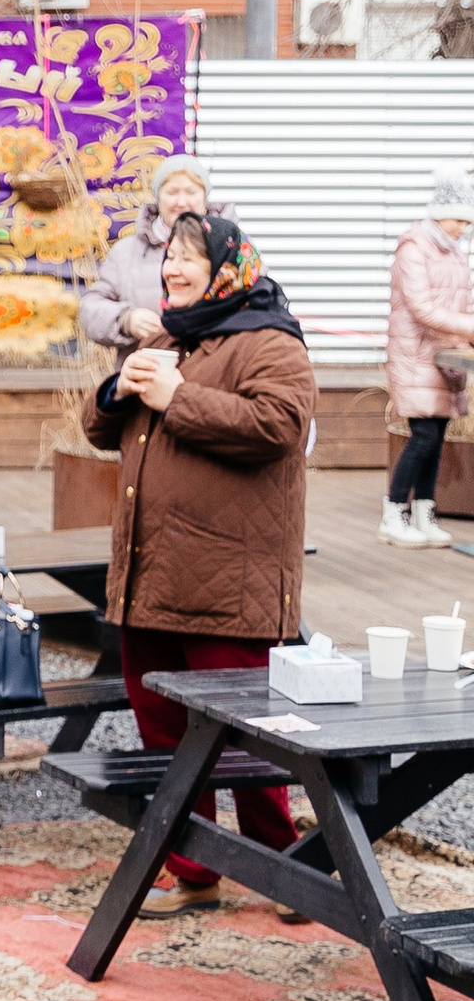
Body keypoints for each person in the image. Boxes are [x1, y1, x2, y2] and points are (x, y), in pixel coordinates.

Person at [87, 206, 316, 921]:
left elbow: (279, 427)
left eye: (189, 258)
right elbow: (100, 428)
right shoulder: (165, 334)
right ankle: (194, 867)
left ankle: (288, 869)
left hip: (229, 578)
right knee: (163, 729)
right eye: (169, 258)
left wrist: (177, 398)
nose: (172, 269)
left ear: (228, 268)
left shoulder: (269, 341)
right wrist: (118, 389)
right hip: (150, 572)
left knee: (248, 736)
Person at [383, 169, 474, 548]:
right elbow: (421, 307)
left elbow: (463, 300)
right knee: (421, 435)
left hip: (443, 357)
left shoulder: (454, 252)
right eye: (458, 219)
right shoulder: (414, 247)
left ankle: (425, 511)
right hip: (416, 354)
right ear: (439, 213)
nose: (463, 227)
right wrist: (469, 328)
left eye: (468, 221)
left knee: (436, 436)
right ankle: (393, 513)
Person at [82, 159, 218, 349]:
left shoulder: (231, 248)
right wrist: (125, 319)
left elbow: (261, 306)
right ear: (158, 198)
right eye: (171, 192)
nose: (181, 202)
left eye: (190, 192)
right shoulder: (127, 252)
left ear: (204, 198)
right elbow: (90, 309)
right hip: (141, 371)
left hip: (210, 373)